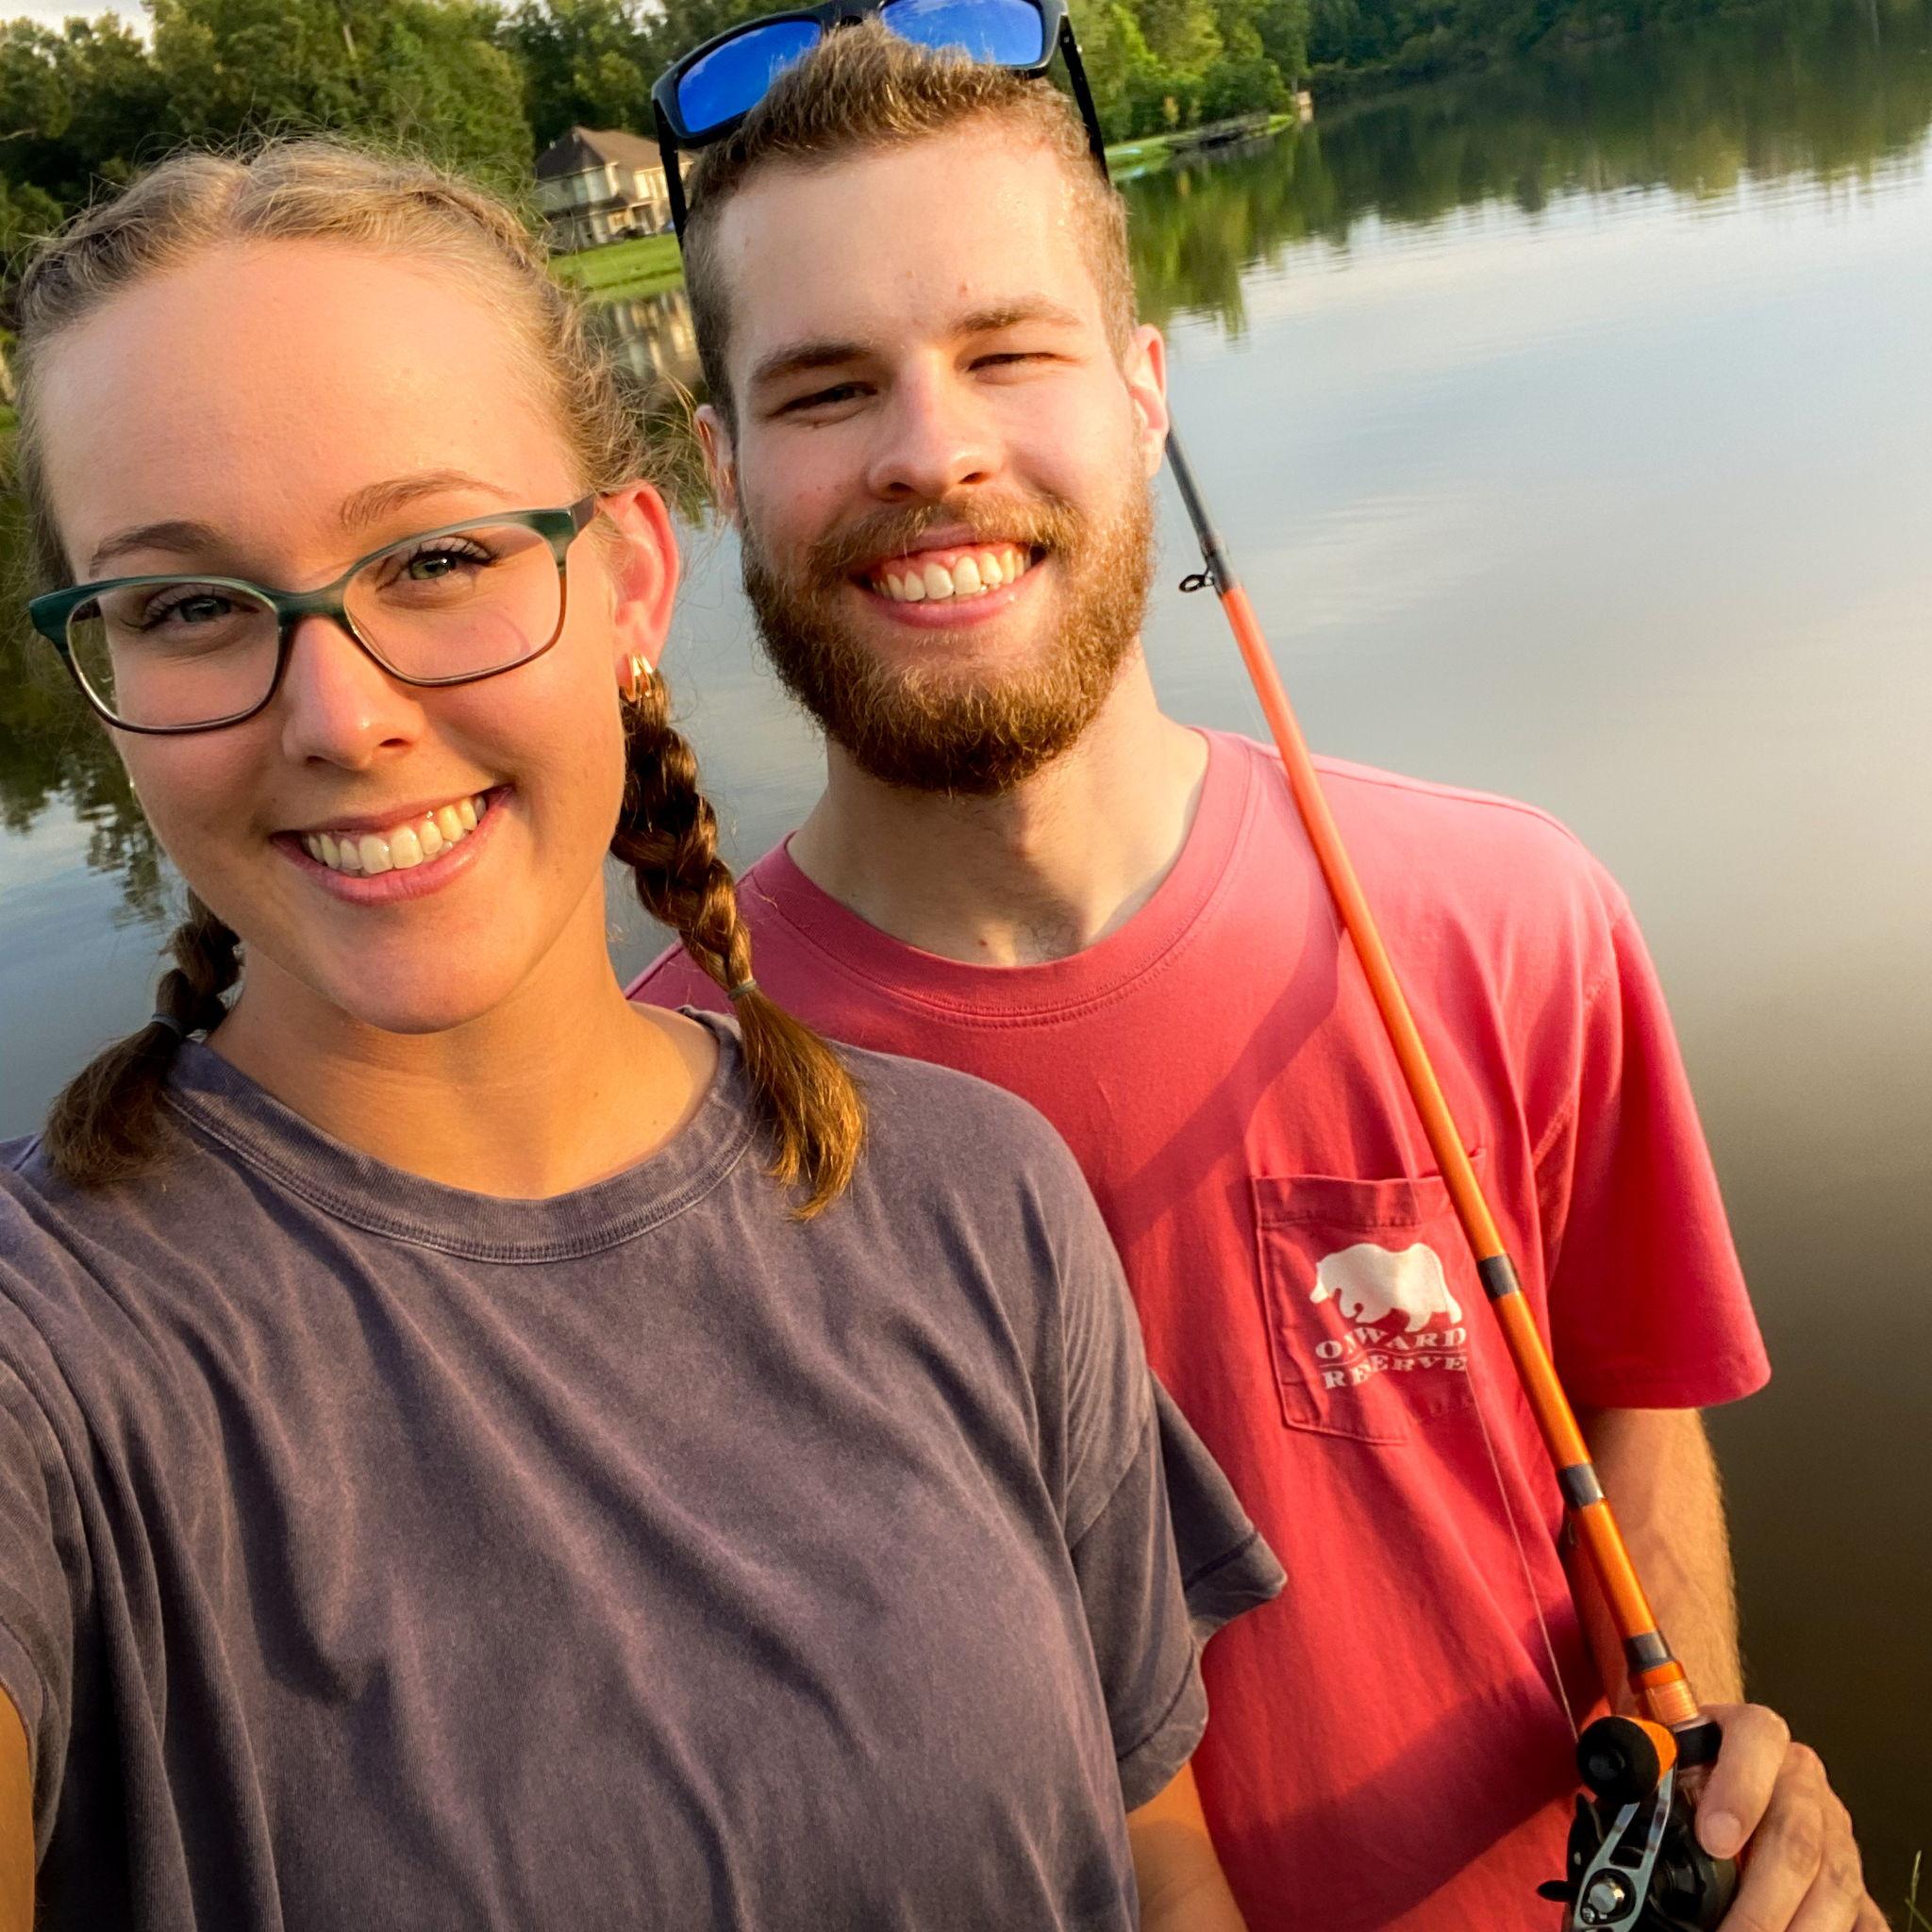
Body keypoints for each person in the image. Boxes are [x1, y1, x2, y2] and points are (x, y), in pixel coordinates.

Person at [630, 25, 1881, 1932]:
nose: (930, 448)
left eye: (1006, 350)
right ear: (720, 466)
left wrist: (1709, 1787)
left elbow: (1632, 1405)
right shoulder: (619, 1119)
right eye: (822, 388)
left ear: (1142, 392)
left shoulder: (1510, 913)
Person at [0, 137, 1285, 1931]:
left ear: (628, 584)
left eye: (437, 557)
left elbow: (1149, 1847)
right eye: (191, 606)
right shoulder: (49, 1361)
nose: (341, 715)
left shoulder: (976, 1201)